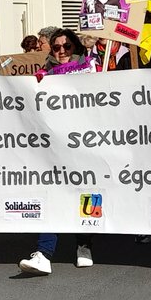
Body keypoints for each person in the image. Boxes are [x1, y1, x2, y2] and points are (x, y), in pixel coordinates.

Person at [19, 30, 97, 277]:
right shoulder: (46, 75)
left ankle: (84, 246)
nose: (61, 51)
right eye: (56, 47)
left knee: (84, 194)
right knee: (52, 194)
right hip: (54, 147)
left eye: (67, 46)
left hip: (86, 145)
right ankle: (44, 253)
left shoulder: (90, 68)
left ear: (76, 47)